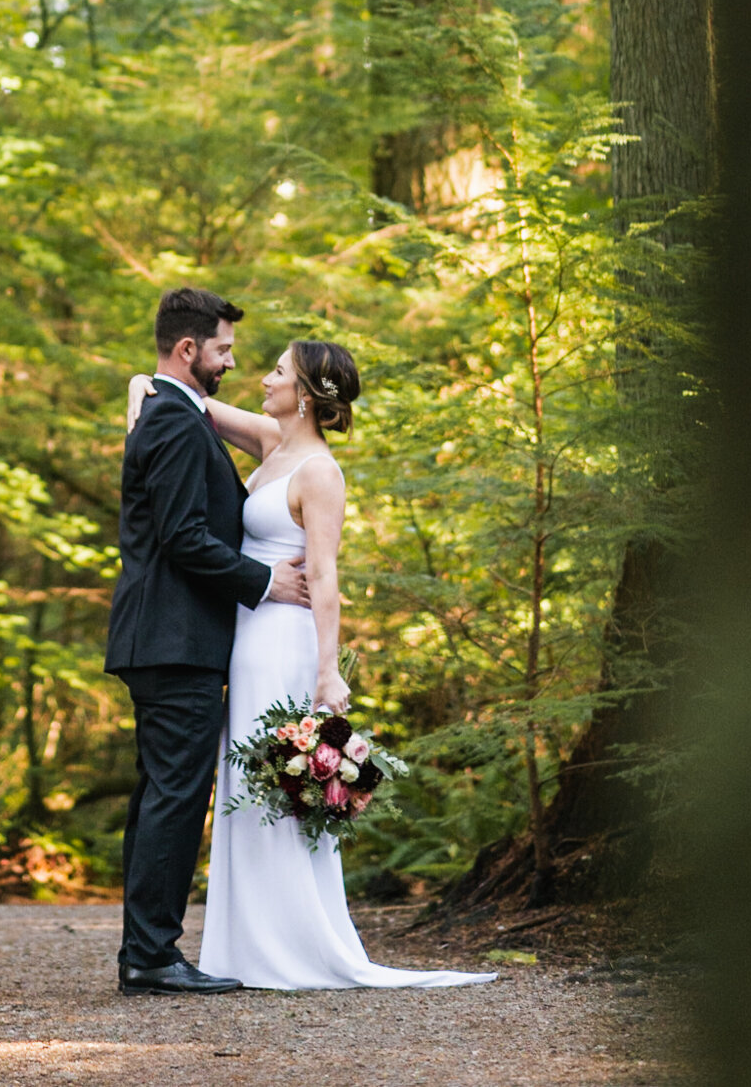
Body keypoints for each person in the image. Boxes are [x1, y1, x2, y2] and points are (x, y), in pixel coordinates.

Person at [128, 337, 496, 992]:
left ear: (303, 393)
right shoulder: (273, 445)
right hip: (245, 637)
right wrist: (138, 386)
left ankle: (294, 943)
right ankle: (241, 947)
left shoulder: (320, 471)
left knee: (284, 789)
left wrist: (329, 671)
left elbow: (324, 573)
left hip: (285, 643)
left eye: (275, 370)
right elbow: (176, 401)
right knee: (243, 786)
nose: (260, 377)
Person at [105, 286, 312, 995]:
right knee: (173, 795)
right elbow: (183, 538)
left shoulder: (174, 411)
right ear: (188, 349)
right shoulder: (170, 420)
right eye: (222, 349)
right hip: (173, 638)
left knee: (161, 794)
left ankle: (146, 948)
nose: (230, 361)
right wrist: (264, 582)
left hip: (168, 638)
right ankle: (152, 955)